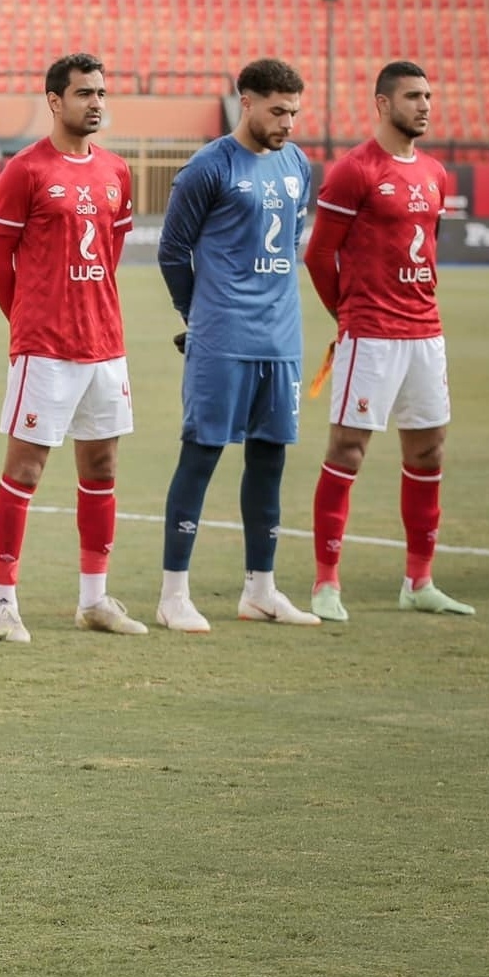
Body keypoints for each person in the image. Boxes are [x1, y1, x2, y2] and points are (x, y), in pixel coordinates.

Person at [0, 53, 146, 642]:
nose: (96, 103)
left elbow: (111, 252)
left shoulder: (117, 172)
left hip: (105, 346)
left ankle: (95, 599)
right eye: (84, 94)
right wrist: (28, 317)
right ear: (55, 101)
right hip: (45, 348)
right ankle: (3, 602)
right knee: (24, 469)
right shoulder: (24, 171)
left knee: (101, 466)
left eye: (101, 93)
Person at [156, 58, 320, 631]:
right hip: (223, 338)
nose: (289, 122)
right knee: (201, 455)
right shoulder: (209, 167)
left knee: (270, 458)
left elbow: (290, 244)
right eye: (278, 110)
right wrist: (196, 314)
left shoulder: (299, 165)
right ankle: (173, 593)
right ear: (245, 102)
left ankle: (262, 589)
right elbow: (172, 252)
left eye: (295, 111)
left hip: (281, 340)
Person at [304, 61, 471, 619]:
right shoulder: (353, 171)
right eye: (411, 97)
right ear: (381, 103)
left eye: (428, 95)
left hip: (426, 333)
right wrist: (345, 313)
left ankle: (418, 583)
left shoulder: (434, 172)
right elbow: (318, 254)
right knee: (347, 450)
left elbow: (428, 243)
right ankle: (326, 584)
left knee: (428, 450)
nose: (424, 105)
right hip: (371, 335)